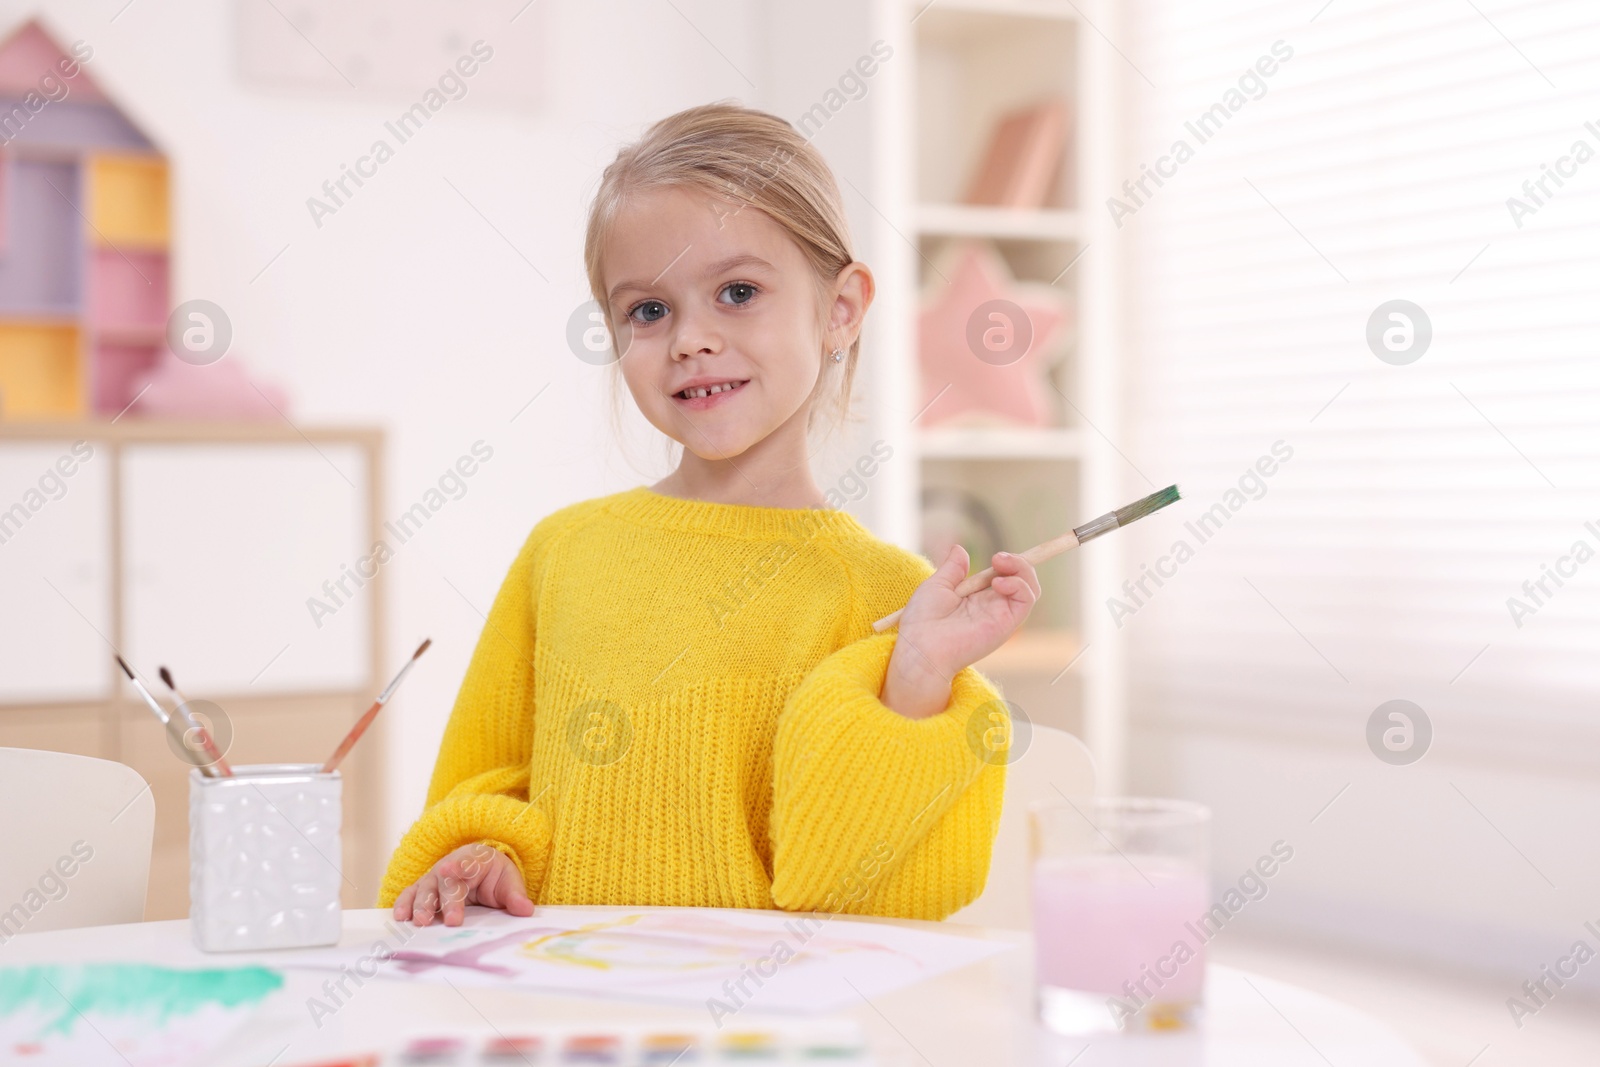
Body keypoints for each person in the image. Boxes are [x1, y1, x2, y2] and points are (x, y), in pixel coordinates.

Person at [381, 101, 1041, 926]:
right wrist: (478, 851)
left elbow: (858, 901)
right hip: (567, 1016)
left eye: (737, 292)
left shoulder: (895, 600)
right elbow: (484, 786)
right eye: (648, 311)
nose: (690, 338)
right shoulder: (565, 552)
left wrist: (914, 685)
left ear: (841, 309)